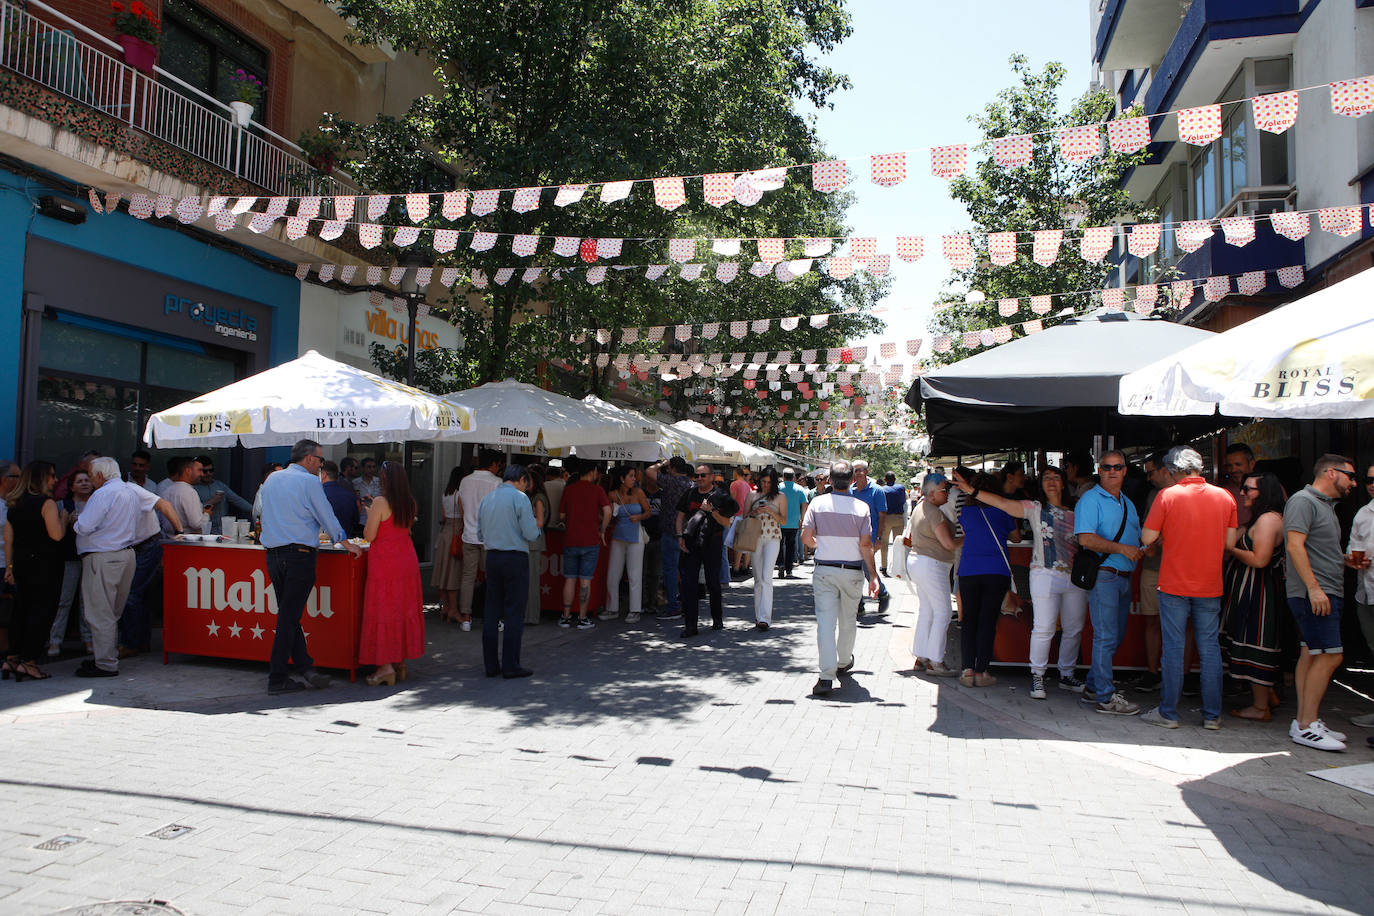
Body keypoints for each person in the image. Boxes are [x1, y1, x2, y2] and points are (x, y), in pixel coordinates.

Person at [955, 466, 1086, 697]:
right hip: (1038, 572)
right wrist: (972, 491)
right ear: (1041, 484)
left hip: (1073, 575)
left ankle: (1066, 674)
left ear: (1064, 483)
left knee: (1073, 627)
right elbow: (1005, 508)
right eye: (1047, 478)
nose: (1051, 482)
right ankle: (1036, 676)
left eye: (1056, 477)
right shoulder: (1034, 508)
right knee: (1041, 627)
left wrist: (971, 493)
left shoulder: (1078, 510)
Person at [1138, 446, 1239, 730]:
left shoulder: (1167, 496)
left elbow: (1148, 537)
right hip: (1210, 583)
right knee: (1209, 649)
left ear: (1172, 470)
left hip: (1173, 582)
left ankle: (1168, 713)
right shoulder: (1225, 496)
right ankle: (1212, 716)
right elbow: (1230, 545)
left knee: (1173, 647)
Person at [257, 440, 361, 695]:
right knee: (288, 618)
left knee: (288, 615)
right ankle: (277, 678)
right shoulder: (309, 482)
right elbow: (326, 514)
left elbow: (261, 512)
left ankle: (306, 668)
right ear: (309, 459)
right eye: (320, 459)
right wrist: (346, 543)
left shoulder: (272, 479)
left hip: (273, 554)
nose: (321, 464)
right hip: (299, 555)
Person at [1284, 454, 1363, 751]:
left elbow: (1312, 547)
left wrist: (1343, 561)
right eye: (1350, 476)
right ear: (1331, 473)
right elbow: (1294, 545)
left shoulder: (1323, 505)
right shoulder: (1304, 501)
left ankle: (1305, 721)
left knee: (1311, 653)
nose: (1353, 483)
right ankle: (1306, 725)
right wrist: (1315, 589)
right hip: (1315, 592)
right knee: (1330, 655)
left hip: (1321, 589)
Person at [73, 457, 176, 678]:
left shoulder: (103, 494)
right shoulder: (130, 491)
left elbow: (84, 526)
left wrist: (73, 519)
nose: (91, 480)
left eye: (91, 476)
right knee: (112, 611)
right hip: (126, 554)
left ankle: (105, 662)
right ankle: (107, 655)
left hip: (103, 556)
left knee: (101, 612)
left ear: (100, 475)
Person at [801, 460, 879, 696]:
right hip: (853, 571)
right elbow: (866, 544)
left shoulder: (818, 503)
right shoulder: (861, 508)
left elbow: (806, 537)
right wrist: (873, 575)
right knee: (848, 620)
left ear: (830, 481)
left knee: (825, 623)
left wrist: (820, 546)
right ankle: (844, 661)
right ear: (852, 481)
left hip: (825, 569)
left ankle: (826, 677)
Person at [1075, 450, 1144, 716]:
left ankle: (1093, 686)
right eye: (1107, 467)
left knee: (1113, 637)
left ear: (1125, 470)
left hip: (1123, 576)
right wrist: (1123, 549)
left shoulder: (1126, 501)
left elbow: (1132, 539)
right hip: (1105, 575)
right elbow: (1086, 539)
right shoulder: (1091, 499)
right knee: (1106, 637)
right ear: (1099, 470)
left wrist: (1140, 548)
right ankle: (1105, 696)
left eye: (1118, 467)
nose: (1113, 471)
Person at [1223, 472, 1288, 722]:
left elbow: (1259, 560)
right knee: (1248, 640)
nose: (1243, 493)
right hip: (1251, 589)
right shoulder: (1260, 518)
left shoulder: (1269, 520)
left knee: (1256, 643)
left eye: (1248, 489)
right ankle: (1267, 695)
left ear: (1264, 492)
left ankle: (1260, 708)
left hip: (1258, 591)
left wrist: (1233, 550)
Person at [359, 461, 425, 687]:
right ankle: (399, 662)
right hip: (406, 560)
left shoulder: (379, 502)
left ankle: (385, 667)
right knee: (402, 608)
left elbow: (369, 535)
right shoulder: (410, 503)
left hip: (385, 562)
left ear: (385, 480)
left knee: (383, 610)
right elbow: (403, 530)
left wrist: (369, 514)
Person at [952, 472, 1019, 687]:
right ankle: (982, 672)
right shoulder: (1003, 508)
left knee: (968, 620)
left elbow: (966, 533)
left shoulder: (966, 512)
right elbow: (1016, 537)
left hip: (969, 569)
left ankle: (967, 670)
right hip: (996, 570)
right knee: (987, 621)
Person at [475, 464, 541, 678]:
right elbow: (531, 533)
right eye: (526, 482)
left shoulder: (488, 499)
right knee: (514, 612)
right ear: (521, 479)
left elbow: (480, 534)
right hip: (515, 558)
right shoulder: (520, 498)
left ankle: (491, 665)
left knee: (491, 611)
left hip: (492, 557)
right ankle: (511, 665)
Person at [3, 461, 66, 681]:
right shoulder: (46, 503)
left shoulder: (13, 503)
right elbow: (56, 535)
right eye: (51, 476)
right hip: (45, 565)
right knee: (41, 613)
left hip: (21, 564)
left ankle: (12, 657)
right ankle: (29, 662)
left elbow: (8, 540)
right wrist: (64, 519)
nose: (55, 480)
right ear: (42, 478)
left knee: (21, 611)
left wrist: (9, 567)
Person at [904, 474, 961, 677]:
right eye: (944, 490)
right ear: (932, 493)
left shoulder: (922, 507)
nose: (947, 493)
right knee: (942, 612)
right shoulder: (933, 512)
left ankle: (922, 656)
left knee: (928, 611)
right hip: (932, 564)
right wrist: (966, 540)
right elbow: (948, 544)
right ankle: (936, 661)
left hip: (922, 563)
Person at [116, 462, 172, 659]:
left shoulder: (132, 490)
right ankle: (141, 640)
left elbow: (164, 505)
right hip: (133, 547)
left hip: (147, 545)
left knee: (131, 594)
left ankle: (131, 642)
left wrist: (179, 532)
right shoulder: (108, 495)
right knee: (140, 595)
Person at [675, 464, 738, 637]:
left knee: (712, 582)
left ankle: (717, 618)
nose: (699, 478)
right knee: (689, 583)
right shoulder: (690, 493)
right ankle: (690, 625)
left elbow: (726, 523)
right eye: (697, 475)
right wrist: (679, 536)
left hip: (712, 541)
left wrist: (712, 511)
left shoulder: (721, 496)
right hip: (691, 542)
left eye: (703, 475)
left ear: (711, 477)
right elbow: (680, 515)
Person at [1131, 452, 1170, 692]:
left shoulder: (1181, 496)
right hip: (1154, 567)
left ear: (1165, 469)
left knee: (1182, 626)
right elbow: (1147, 531)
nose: (1148, 478)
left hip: (1177, 569)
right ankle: (1153, 672)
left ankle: (1181, 676)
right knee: (1152, 621)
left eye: (1151, 472)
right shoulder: (1154, 495)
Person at [559, 458, 611, 629]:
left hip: (571, 539)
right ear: (593, 472)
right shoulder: (597, 490)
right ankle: (582, 617)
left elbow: (561, 516)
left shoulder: (569, 490)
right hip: (590, 540)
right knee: (585, 580)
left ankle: (566, 616)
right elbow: (607, 510)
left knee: (570, 579)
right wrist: (602, 530)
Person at [457, 449, 504, 631]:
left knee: (468, 577)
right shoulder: (496, 483)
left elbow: (461, 505)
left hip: (469, 535)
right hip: (490, 537)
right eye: (498, 465)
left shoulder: (465, 481)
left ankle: (466, 618)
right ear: (493, 464)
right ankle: (492, 617)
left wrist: (467, 520)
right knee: (493, 578)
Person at [49, 470, 92, 656]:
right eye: (79, 481)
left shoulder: (97, 503)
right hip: (69, 557)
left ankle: (88, 639)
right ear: (71, 486)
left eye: (87, 480)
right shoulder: (61, 505)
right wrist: (65, 521)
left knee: (88, 602)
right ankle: (54, 641)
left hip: (90, 556)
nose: (84, 483)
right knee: (63, 600)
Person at [603, 466, 649, 624]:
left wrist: (639, 517)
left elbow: (648, 512)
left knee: (635, 573)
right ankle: (612, 608)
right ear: (622, 478)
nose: (634, 479)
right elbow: (606, 514)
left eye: (634, 476)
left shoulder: (639, 493)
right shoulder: (612, 495)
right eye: (631, 476)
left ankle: (635, 610)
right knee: (613, 573)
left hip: (635, 535)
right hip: (618, 535)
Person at [1348, 463, 1374, 729]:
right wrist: (1352, 560)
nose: (1372, 484)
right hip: (1366, 592)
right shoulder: (1363, 514)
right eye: (1368, 480)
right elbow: (1352, 548)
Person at [849, 460, 891, 615]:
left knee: (867, 570)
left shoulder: (877, 491)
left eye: (861, 470)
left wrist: (879, 538)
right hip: (853, 538)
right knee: (854, 571)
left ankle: (883, 594)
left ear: (867, 472)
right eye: (856, 470)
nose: (859, 473)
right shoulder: (851, 491)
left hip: (870, 538)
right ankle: (859, 604)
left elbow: (882, 516)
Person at [654, 457, 693, 620]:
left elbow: (649, 472)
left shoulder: (671, 482)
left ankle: (672, 607)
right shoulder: (691, 485)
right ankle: (687, 603)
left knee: (670, 570)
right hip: (688, 532)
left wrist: (662, 463)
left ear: (672, 468)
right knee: (686, 571)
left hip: (670, 532)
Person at [748, 467, 786, 630]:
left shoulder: (780, 497)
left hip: (772, 538)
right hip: (755, 537)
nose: (765, 485)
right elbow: (744, 516)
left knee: (766, 577)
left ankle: (765, 618)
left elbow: (783, 520)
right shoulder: (752, 495)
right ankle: (758, 616)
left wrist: (770, 511)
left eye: (769, 482)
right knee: (757, 578)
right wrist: (755, 512)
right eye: (763, 481)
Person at [432, 466, 465, 624]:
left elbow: (444, 516)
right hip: (456, 533)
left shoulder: (445, 494)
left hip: (444, 533)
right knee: (453, 573)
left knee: (442, 573)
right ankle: (453, 610)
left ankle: (445, 608)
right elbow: (464, 516)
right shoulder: (460, 494)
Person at [193, 456, 253, 534]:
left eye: (211, 470)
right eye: (205, 471)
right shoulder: (194, 489)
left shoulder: (220, 485)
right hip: (206, 530)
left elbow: (237, 500)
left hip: (224, 530)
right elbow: (194, 511)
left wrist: (255, 511)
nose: (208, 473)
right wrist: (212, 501)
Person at [524, 464, 550, 625]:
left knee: (531, 581)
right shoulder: (533, 497)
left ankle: (531, 615)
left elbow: (539, 522)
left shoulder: (538, 498)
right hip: (532, 542)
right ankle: (529, 614)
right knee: (529, 580)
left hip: (533, 542)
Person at [159, 456, 205, 535]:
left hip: (169, 540)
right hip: (188, 542)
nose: (202, 474)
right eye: (199, 470)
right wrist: (207, 514)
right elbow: (196, 524)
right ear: (188, 471)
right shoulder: (189, 492)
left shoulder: (166, 491)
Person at [777, 468, 807, 578]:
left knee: (779, 545)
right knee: (790, 546)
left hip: (779, 521)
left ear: (783, 476)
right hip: (794, 522)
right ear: (793, 477)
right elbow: (804, 504)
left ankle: (780, 564)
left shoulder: (778, 487)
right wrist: (802, 519)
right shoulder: (799, 489)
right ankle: (789, 569)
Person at [640, 464, 663, 611]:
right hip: (642, 537)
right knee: (641, 572)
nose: (652, 481)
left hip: (658, 536)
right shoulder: (640, 493)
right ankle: (642, 601)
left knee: (655, 573)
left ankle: (653, 601)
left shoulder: (663, 494)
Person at [320, 460, 361, 539]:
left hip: (323, 544)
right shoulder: (350, 496)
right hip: (345, 542)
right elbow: (355, 521)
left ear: (323, 474)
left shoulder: (318, 494)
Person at [1220, 443, 1258, 527]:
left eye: (1238, 464)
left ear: (1252, 464)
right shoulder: (1222, 492)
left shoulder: (1268, 487)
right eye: (1229, 466)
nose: (1233, 470)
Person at [879, 471, 907, 576]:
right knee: (898, 544)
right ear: (895, 479)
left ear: (885, 480)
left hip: (886, 518)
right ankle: (897, 567)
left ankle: (884, 566)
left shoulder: (882, 490)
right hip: (898, 517)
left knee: (884, 544)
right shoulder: (901, 488)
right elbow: (903, 501)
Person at [729, 467, 754, 576]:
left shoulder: (735, 484)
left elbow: (732, 500)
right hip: (747, 515)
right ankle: (745, 566)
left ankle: (736, 567)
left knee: (737, 544)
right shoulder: (747, 485)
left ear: (736, 473)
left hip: (737, 515)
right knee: (746, 543)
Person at [355, 457, 382, 529]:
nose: (371, 469)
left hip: (378, 520)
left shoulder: (379, 482)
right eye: (369, 467)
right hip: (361, 520)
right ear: (363, 468)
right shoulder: (355, 483)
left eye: (373, 467)